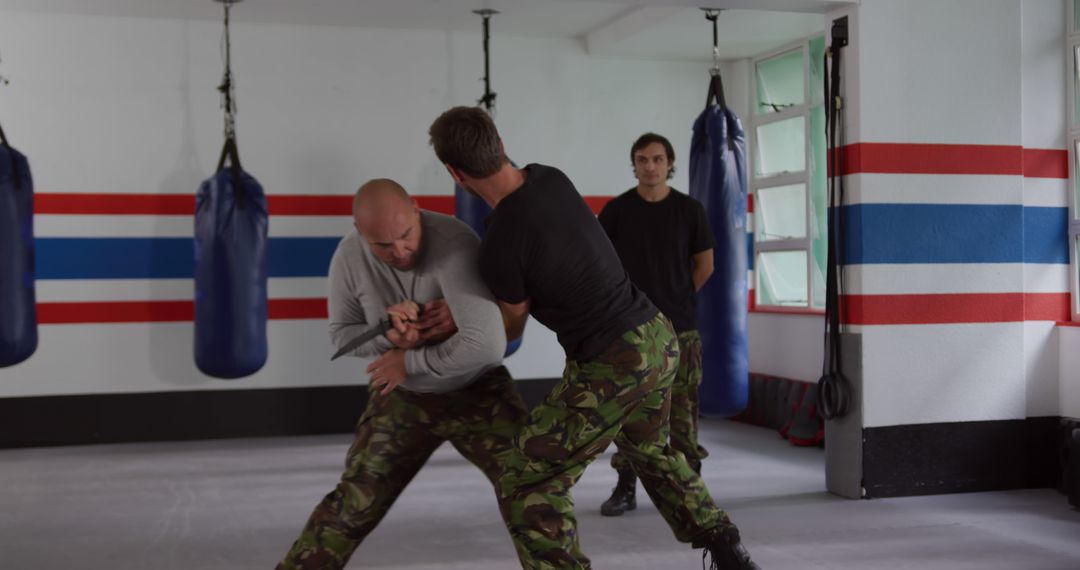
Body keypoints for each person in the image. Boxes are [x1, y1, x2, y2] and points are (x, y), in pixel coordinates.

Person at [428, 107, 758, 570]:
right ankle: (730, 551)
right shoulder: (550, 178)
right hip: (658, 337)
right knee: (651, 451)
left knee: (528, 477)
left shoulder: (501, 240)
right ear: (500, 140)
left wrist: (459, 317)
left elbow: (511, 327)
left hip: (613, 357)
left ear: (454, 173)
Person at [277, 179, 527, 570]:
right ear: (360, 232)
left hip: (478, 390)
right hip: (403, 395)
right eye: (384, 246)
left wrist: (409, 361)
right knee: (350, 506)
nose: (400, 251)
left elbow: (487, 345)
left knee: (534, 492)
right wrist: (387, 335)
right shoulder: (349, 256)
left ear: (416, 208)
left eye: (406, 236)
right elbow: (342, 335)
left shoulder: (453, 241)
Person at [597, 132, 715, 517]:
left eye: (658, 159)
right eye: (643, 159)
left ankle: (691, 494)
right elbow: (604, 267)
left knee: (682, 414)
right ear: (634, 164)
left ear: (669, 164)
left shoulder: (689, 210)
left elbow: (705, 265)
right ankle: (625, 488)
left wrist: (676, 299)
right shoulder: (616, 211)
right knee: (628, 413)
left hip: (680, 329)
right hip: (630, 332)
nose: (650, 166)